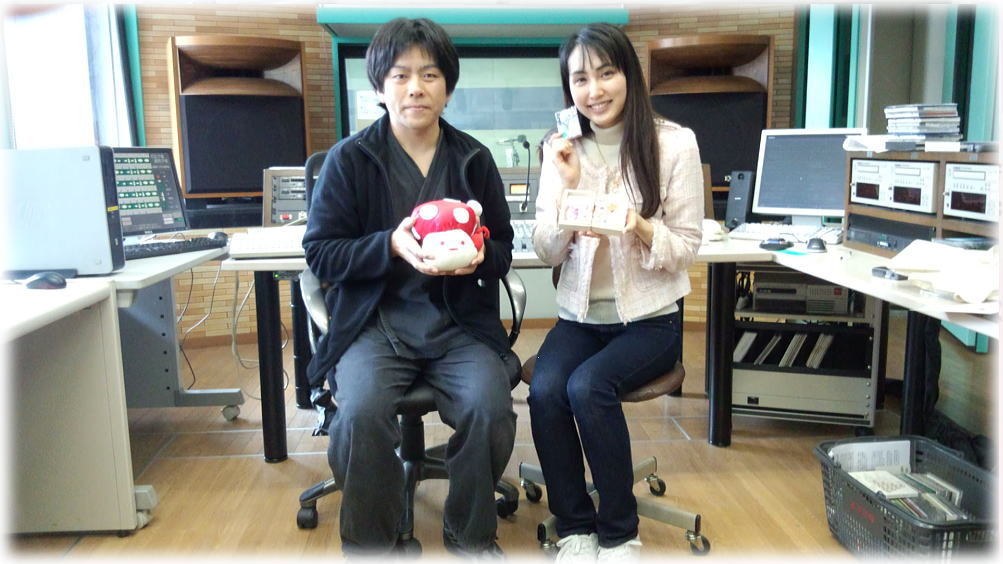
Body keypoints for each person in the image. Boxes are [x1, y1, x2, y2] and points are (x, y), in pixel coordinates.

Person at [302, 17, 517, 558]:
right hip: (375, 324)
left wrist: (479, 259)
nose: (415, 88)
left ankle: (470, 538)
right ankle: (372, 544)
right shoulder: (349, 160)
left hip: (458, 325)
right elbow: (321, 253)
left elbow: (503, 249)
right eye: (400, 75)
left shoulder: (472, 159)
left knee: (489, 407)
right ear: (380, 87)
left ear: (448, 87)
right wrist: (389, 246)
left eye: (430, 75)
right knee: (359, 413)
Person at [528, 22, 703, 561]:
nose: (595, 90)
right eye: (580, 79)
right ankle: (575, 526)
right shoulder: (560, 147)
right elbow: (544, 249)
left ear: (629, 74)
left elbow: (687, 246)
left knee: (587, 387)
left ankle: (620, 533)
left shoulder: (673, 143)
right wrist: (567, 196)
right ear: (569, 87)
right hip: (580, 318)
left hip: (649, 320)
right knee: (546, 389)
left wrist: (640, 226)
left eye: (606, 74)